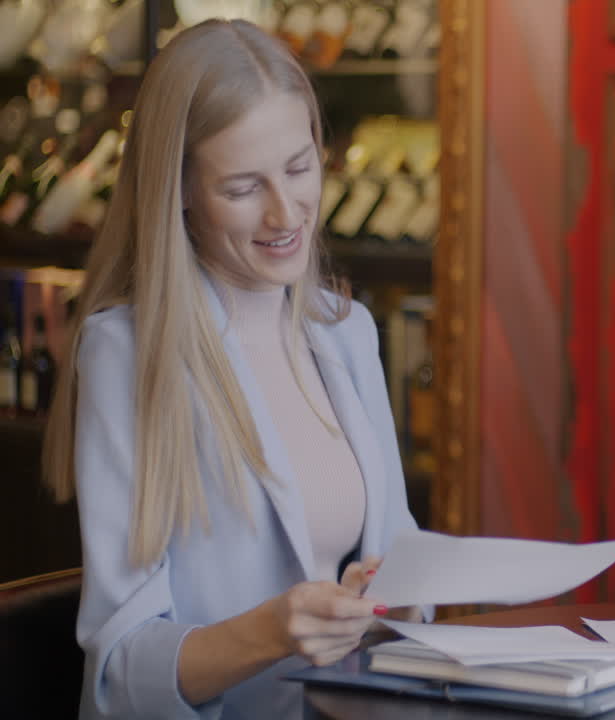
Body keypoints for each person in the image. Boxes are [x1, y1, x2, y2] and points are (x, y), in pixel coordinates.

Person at [41, 19, 424, 719]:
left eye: (301, 168)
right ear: (178, 191)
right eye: (244, 187)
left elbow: (402, 584)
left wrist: (388, 597)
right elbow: (120, 677)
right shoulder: (128, 354)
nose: (286, 213)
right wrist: (272, 632)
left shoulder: (348, 335)